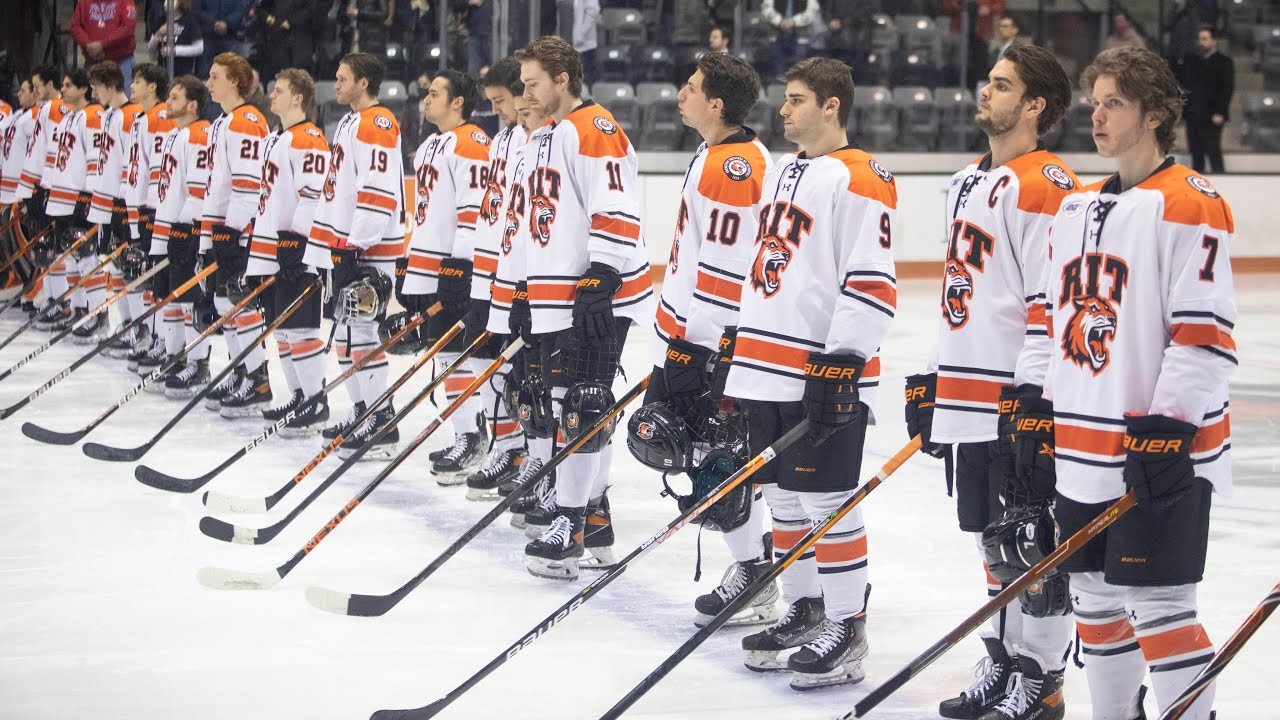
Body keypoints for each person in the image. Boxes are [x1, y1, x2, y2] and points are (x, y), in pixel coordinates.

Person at [1035, 46, 1235, 720]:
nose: (1097, 114)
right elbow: (1049, 318)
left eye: (1113, 102)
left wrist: (1170, 427)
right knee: (1092, 596)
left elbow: (1203, 334)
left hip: (1158, 450)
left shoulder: (1189, 202)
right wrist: (1032, 407)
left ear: (1155, 114)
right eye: (1094, 102)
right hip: (1083, 448)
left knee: (1159, 605)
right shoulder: (1075, 206)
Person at [903, 43, 1079, 720]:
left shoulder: (1050, 186)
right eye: (988, 81)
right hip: (969, 394)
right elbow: (958, 293)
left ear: (1035, 105)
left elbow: (1051, 303)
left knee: (1032, 541)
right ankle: (1004, 659)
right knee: (992, 538)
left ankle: (1043, 678)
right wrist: (929, 375)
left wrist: (1032, 400)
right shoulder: (967, 181)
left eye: (1002, 85)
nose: (985, 92)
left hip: (1016, 395)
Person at [721, 56, 897, 691]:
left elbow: (872, 279)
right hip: (766, 366)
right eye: (784, 99)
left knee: (828, 502)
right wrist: (737, 344)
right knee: (786, 499)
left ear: (831, 106)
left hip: (818, 368)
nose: (783, 110)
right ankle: (807, 606)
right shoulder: (785, 171)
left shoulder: (862, 177)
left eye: (796, 100)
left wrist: (843, 362)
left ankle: (848, 626)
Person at [632, 51, 777, 628]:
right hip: (696, 334)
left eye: (690, 87)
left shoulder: (734, 166)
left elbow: (727, 268)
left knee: (715, 461)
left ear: (716, 104)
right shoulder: (719, 153)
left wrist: (701, 348)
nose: (680, 94)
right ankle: (756, 565)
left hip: (711, 340)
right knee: (707, 457)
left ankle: (755, 574)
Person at [514, 35, 655, 580]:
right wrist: (528, 288)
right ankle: (593, 518)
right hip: (558, 293)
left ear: (563, 80)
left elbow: (616, 203)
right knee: (567, 405)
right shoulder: (548, 134)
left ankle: (570, 521)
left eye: (532, 83)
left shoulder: (593, 129)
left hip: (593, 294)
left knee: (582, 406)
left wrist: (603, 272)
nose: (526, 93)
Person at [308, 51, 405, 459]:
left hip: (367, 248)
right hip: (344, 245)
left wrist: (355, 244)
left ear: (363, 82)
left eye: (343, 77)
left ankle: (382, 419)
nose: (337, 83)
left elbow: (378, 191)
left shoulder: (377, 122)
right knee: (348, 335)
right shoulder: (350, 121)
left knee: (363, 334)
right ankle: (363, 410)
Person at [399, 68, 493, 479]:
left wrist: (460, 267)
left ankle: (477, 436)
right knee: (447, 356)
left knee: (468, 357)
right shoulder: (431, 145)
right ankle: (463, 434)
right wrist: (410, 262)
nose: (426, 99)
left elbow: (474, 212)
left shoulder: (471, 142)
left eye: (435, 93)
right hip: (432, 267)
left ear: (458, 102)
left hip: (458, 270)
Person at [246, 68, 333, 436]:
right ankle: (299, 395)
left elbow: (313, 195)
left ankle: (316, 400)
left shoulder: (309, 138)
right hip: (272, 248)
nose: (272, 97)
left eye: (279, 91)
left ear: (298, 97)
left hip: (298, 251)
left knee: (301, 329)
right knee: (281, 330)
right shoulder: (276, 138)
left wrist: (297, 243)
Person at [460, 57, 531, 501]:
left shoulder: (541, 140)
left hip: (517, 274)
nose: (496, 110)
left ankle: (524, 452)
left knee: (521, 371)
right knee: (485, 361)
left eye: (501, 101)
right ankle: (506, 445)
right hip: (488, 269)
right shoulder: (501, 140)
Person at [202, 52, 272, 418]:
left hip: (240, 232)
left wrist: (232, 230)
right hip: (224, 229)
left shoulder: (245, 120)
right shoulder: (224, 122)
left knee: (239, 306)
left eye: (216, 76)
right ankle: (241, 370)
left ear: (235, 81)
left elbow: (248, 185)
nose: (209, 82)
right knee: (222, 305)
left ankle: (259, 380)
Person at [150, 75, 214, 398]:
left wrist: (189, 229)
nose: (167, 103)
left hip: (188, 228)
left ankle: (199, 362)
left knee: (191, 300)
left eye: (175, 98)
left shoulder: (198, 135)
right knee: (173, 295)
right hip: (172, 225)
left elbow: (201, 189)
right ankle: (176, 355)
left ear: (192, 105)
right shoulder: (179, 135)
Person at [44, 69, 107, 342]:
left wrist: (91, 195)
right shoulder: (69, 117)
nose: (64, 90)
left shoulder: (93, 115)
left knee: (87, 255)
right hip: (64, 195)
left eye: (69, 85)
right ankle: (78, 308)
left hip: (81, 196)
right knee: (71, 255)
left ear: (84, 89)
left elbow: (96, 157)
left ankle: (98, 313)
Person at [86, 61, 144, 354]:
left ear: (110, 85)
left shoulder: (132, 116)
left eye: (96, 85)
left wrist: (122, 202)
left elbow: (131, 163)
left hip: (124, 202)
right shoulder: (108, 115)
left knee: (129, 266)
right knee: (116, 267)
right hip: (108, 201)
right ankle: (125, 324)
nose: (93, 91)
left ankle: (137, 329)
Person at [122, 62, 175, 373]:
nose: (132, 85)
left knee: (158, 278)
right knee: (147, 276)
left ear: (153, 86)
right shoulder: (140, 119)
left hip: (157, 208)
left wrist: (152, 211)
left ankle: (163, 341)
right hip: (142, 207)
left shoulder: (162, 117)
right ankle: (155, 337)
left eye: (138, 80)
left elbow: (162, 170)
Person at [14, 66, 72, 330]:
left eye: (38, 85)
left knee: (53, 248)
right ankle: (50, 297)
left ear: (51, 84)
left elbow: (57, 150)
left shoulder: (57, 108)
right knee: (43, 248)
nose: (35, 90)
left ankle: (62, 302)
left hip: (49, 186)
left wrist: (44, 184)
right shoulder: (43, 109)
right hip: (40, 185)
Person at [1179, 27, 1234, 175]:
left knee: (1213, 151)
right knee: (1196, 153)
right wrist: (1185, 113)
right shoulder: (1193, 62)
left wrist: (1221, 112)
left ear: (1213, 41)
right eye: (1200, 39)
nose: (1201, 42)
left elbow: (1226, 90)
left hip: (1212, 115)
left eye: (1205, 39)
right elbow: (1187, 87)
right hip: (1194, 114)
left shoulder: (1223, 62)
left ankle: (1223, 184)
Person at [69, 0, 139, 82]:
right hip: (92, 62)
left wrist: (102, 45)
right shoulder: (83, 2)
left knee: (123, 94)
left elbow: (128, 28)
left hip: (121, 63)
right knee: (92, 94)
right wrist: (90, 46)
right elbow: (75, 27)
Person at [761, 0, 820, 78]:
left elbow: (812, 11)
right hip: (777, 32)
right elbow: (766, 8)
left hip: (801, 35)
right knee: (778, 65)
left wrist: (793, 22)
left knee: (799, 67)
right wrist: (779, 21)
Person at [148, 0, 205, 77]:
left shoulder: (190, 21)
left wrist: (174, 50)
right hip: (162, 72)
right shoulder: (161, 20)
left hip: (183, 72)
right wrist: (159, 33)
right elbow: (151, 48)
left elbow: (199, 48)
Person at [199, 0, 246, 75]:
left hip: (230, 36)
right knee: (205, 73)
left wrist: (227, 23)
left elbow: (240, 11)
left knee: (231, 71)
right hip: (207, 37)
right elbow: (198, 10)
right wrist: (213, 23)